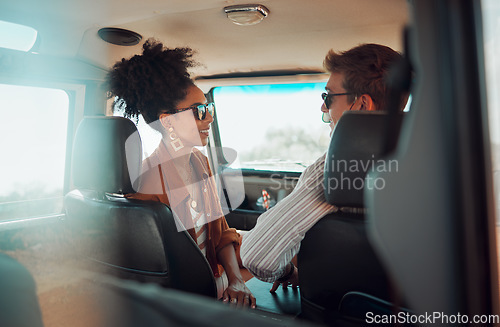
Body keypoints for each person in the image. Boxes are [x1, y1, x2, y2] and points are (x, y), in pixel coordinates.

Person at [240, 43, 407, 292]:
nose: (322, 107)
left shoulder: (338, 166)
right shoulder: (428, 164)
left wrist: (288, 272)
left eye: (328, 97)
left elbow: (258, 256)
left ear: (362, 105)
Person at [107, 39, 255, 308]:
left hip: (211, 277)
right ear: (168, 120)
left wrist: (236, 280)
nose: (209, 118)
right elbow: (159, 273)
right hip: (185, 297)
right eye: (199, 111)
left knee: (269, 254)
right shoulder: (148, 181)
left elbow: (220, 233)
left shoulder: (199, 161)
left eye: (209, 108)